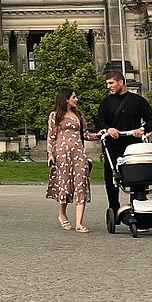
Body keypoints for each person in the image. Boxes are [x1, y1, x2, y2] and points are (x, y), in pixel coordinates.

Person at [94, 71, 152, 218]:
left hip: (133, 147)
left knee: (136, 178)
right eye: (107, 83)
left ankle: (137, 206)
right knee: (111, 179)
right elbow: (99, 121)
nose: (108, 86)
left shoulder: (138, 101)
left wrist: (142, 129)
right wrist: (108, 129)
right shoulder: (106, 102)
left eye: (111, 83)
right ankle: (114, 207)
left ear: (121, 82)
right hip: (112, 147)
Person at [45, 87, 92, 233]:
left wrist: (104, 133)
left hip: (78, 152)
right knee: (65, 184)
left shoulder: (78, 115)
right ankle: (62, 213)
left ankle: (79, 222)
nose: (76, 99)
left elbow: (86, 134)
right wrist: (50, 155)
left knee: (81, 183)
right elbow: (51, 136)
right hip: (62, 154)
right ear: (66, 99)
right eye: (74, 97)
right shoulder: (55, 115)